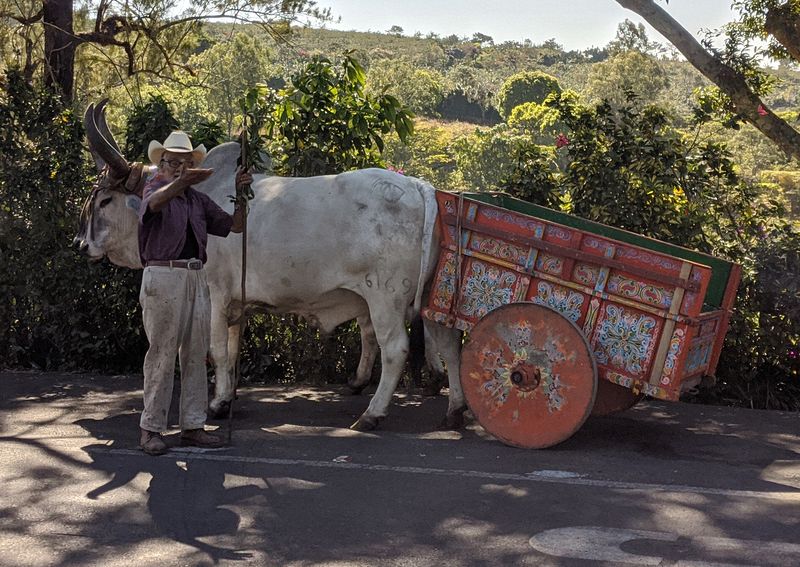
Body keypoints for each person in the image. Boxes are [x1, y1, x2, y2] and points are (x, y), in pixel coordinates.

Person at [137, 130, 252, 455]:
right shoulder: (155, 188)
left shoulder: (198, 200)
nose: (178, 167)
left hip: (195, 276)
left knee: (195, 355)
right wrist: (183, 182)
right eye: (172, 162)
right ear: (162, 163)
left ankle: (193, 425)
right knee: (161, 353)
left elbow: (234, 226)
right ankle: (150, 429)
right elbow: (155, 204)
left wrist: (242, 193)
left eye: (184, 163)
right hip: (163, 275)